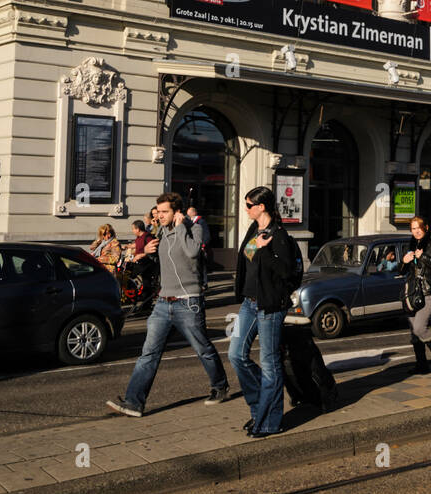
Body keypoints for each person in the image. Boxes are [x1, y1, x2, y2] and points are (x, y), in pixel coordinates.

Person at [107, 193, 229, 417]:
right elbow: (164, 262)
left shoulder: (194, 228)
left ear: (177, 212)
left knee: (203, 349)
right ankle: (134, 402)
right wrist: (147, 253)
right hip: (163, 303)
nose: (159, 215)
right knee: (149, 353)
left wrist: (182, 225)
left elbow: (192, 253)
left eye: (164, 212)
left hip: (188, 302)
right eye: (158, 211)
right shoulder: (161, 231)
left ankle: (220, 386)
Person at [229, 186, 297, 437]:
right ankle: (258, 409)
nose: (245, 209)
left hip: (270, 307)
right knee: (236, 355)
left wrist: (264, 250)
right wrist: (254, 247)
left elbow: (285, 271)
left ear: (261, 207)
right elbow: (246, 257)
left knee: (270, 364)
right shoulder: (253, 229)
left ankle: (269, 421)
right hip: (249, 303)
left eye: (249, 205)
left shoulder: (279, 234)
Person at [402, 217, 431, 373]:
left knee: (420, 328)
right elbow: (401, 271)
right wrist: (403, 261)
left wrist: (424, 257)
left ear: (425, 227)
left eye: (418, 228)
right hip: (413, 294)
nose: (416, 231)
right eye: (413, 228)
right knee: (414, 333)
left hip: (428, 291)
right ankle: (421, 364)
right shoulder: (410, 245)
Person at [187, 206, 211, 290]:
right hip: (194, 246)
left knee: (202, 266)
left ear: (194, 213)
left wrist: (203, 245)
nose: (188, 214)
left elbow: (206, 235)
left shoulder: (201, 222)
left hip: (201, 248)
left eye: (189, 212)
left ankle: (204, 283)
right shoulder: (191, 222)